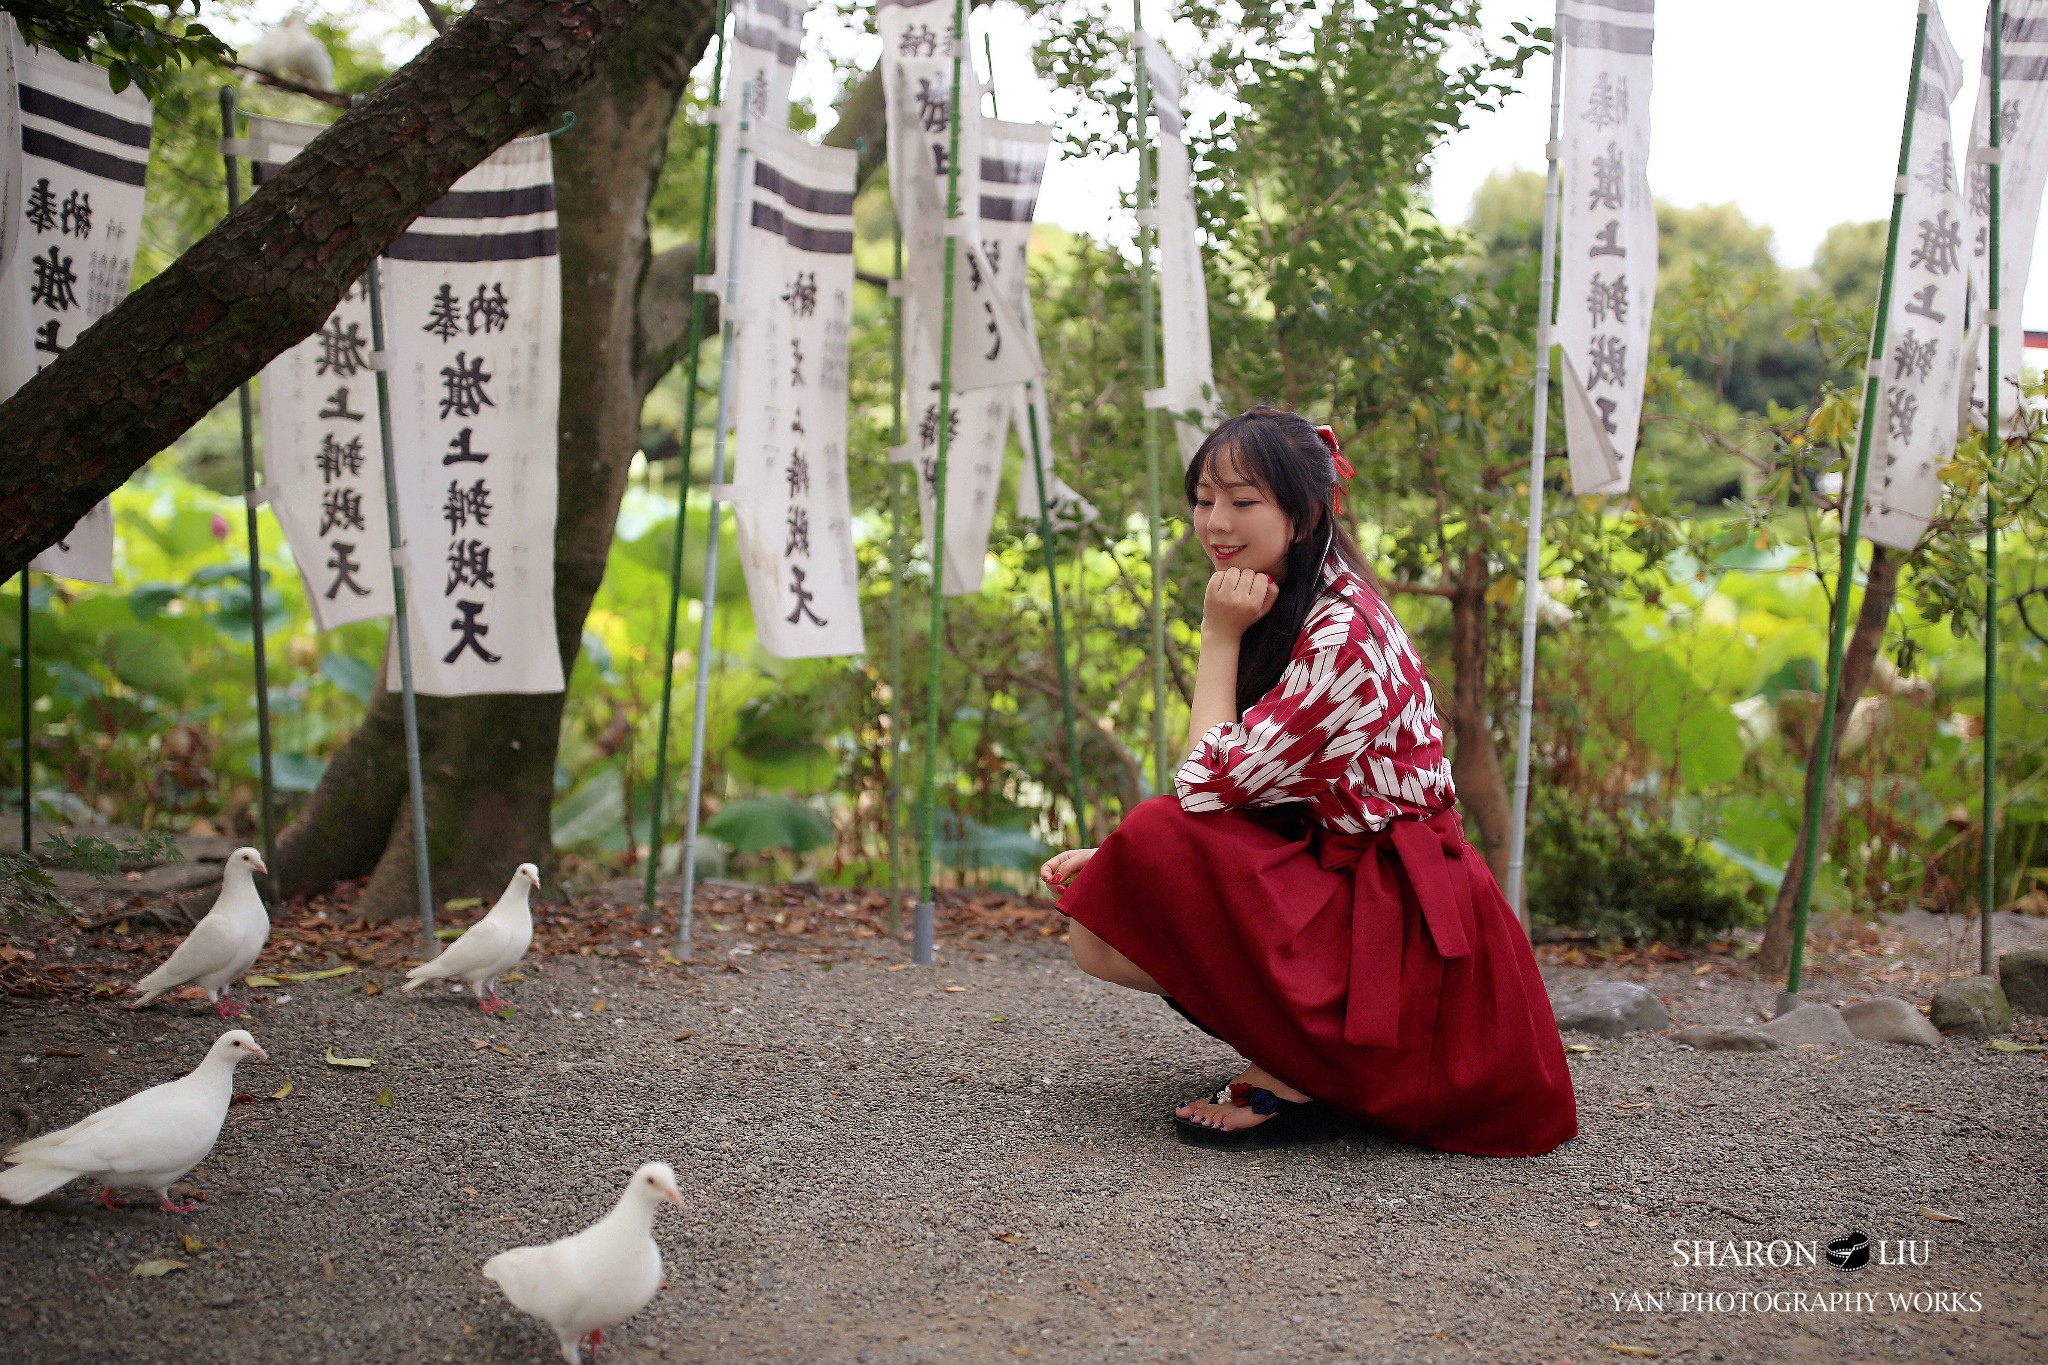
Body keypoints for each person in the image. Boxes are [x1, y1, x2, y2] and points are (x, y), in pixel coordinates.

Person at [1039, 407, 1578, 1155]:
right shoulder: (1291, 596)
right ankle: (1306, 1059)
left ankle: (1301, 1073)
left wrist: (1217, 636)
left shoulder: (1341, 632)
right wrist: (1122, 863)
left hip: (1406, 926)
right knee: (1101, 919)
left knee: (1159, 832)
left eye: (1244, 500)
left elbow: (1202, 790)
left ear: (1306, 512)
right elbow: (1251, 796)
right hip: (1351, 884)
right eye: (1203, 499)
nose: (1216, 522)